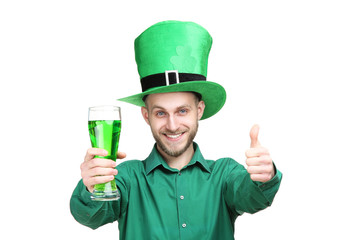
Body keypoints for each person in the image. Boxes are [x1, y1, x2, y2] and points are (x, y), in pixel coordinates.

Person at [70, 20, 282, 240]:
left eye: (182, 111)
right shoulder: (126, 179)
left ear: (199, 110)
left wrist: (265, 177)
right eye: (161, 113)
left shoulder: (225, 175)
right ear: (146, 115)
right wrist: (92, 185)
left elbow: (253, 196)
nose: (172, 125)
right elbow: (89, 216)